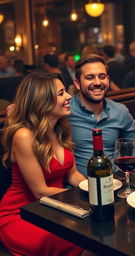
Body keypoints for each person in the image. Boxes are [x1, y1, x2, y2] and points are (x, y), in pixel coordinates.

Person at [0, 72, 93, 256]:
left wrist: (98, 189)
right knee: (80, 241)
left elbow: (73, 175)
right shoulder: (24, 136)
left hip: (53, 208)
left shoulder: (61, 128)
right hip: (22, 213)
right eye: (61, 93)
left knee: (96, 234)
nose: (68, 96)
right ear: (42, 101)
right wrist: (85, 196)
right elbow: (40, 191)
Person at [69, 54, 135, 176]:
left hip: (113, 185)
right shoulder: (66, 111)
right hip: (77, 188)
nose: (97, 82)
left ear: (108, 80)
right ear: (77, 83)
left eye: (102, 76)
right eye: (90, 77)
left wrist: (123, 173)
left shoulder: (120, 111)